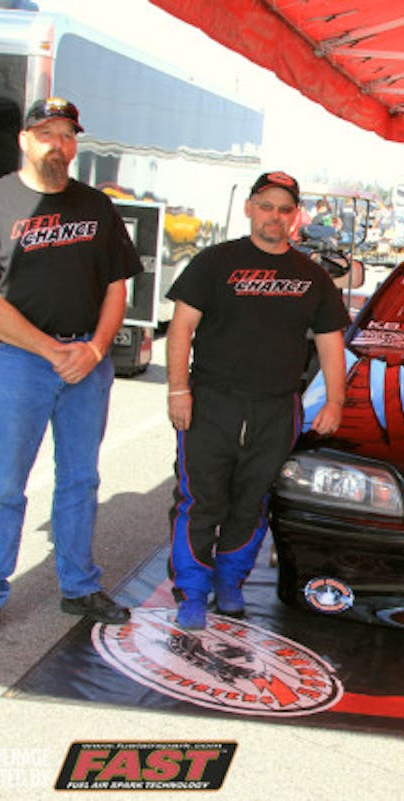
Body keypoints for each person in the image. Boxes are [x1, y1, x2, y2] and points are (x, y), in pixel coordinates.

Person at [0, 97, 141, 644]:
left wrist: (97, 349)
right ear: (24, 139)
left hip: (87, 363)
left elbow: (116, 286)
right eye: (47, 133)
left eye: (67, 135)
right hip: (21, 364)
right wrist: (49, 349)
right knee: (6, 486)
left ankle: (78, 586)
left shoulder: (96, 206)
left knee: (81, 481)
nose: (59, 144)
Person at [165, 171, 349, 630]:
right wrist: (177, 390)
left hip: (276, 407)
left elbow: (331, 343)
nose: (275, 216)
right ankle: (191, 590)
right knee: (201, 500)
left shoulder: (313, 277)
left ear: (295, 216)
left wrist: (335, 402)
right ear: (249, 207)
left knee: (253, 501)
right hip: (210, 401)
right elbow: (181, 328)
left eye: (285, 209)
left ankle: (230, 584)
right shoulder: (214, 262)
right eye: (266, 205)